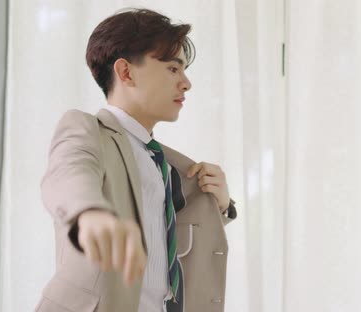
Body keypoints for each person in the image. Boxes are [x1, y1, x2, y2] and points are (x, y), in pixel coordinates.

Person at [35, 8, 237, 312]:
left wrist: (220, 205)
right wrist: (89, 212)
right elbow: (68, 173)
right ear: (126, 72)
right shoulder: (87, 130)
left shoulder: (170, 166)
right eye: (173, 68)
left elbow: (166, 235)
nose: (186, 83)